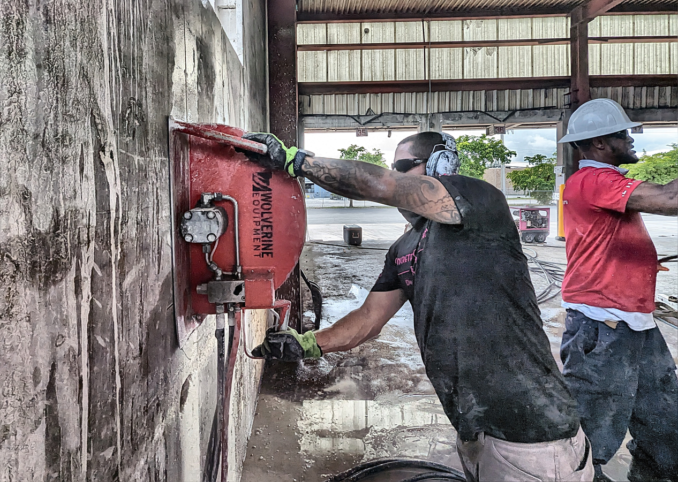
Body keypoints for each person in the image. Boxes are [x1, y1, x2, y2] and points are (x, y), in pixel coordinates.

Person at [242, 130, 594, 482]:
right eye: (393, 168)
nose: (394, 175)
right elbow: (368, 320)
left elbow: (384, 186)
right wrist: (306, 344)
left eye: (403, 167)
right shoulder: (403, 248)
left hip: (534, 431)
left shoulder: (479, 203)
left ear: (441, 164)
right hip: (473, 430)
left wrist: (299, 162)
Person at [558, 98, 678, 482]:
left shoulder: (604, 181)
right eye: (623, 134)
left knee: (664, 417)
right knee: (592, 426)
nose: (631, 139)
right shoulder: (594, 180)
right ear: (598, 144)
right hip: (602, 322)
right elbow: (671, 200)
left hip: (633, 320)